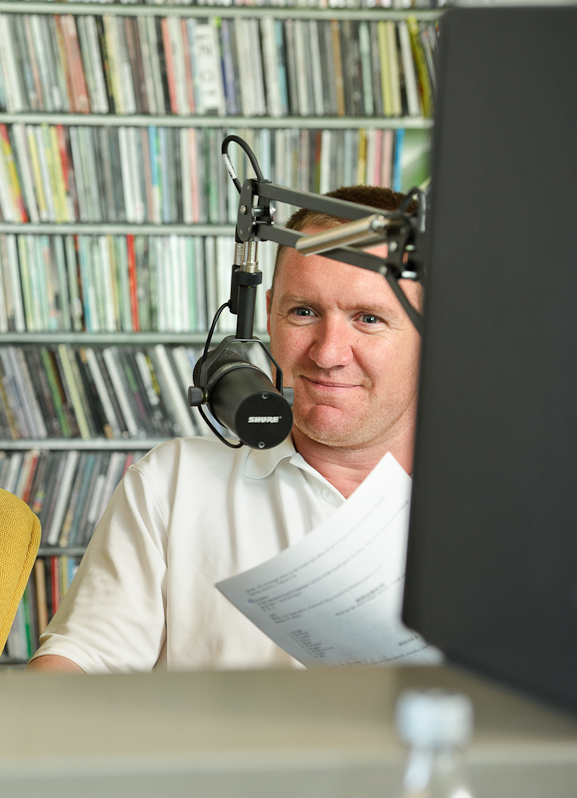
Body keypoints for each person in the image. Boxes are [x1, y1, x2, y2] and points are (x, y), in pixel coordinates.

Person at [28, 185, 422, 673]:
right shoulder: (175, 482)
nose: (326, 353)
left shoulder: (498, 512)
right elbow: (79, 664)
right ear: (270, 315)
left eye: (368, 319)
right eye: (304, 312)